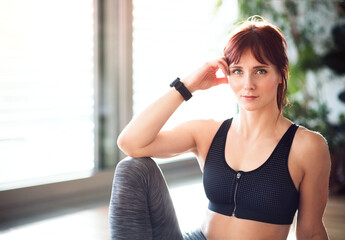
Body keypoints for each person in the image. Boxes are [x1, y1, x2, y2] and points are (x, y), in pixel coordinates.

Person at [110, 16, 331, 240]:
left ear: (281, 75)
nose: (248, 84)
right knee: (132, 168)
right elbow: (130, 143)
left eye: (260, 71)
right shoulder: (208, 133)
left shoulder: (306, 146)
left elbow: (311, 232)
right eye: (237, 71)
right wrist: (188, 85)